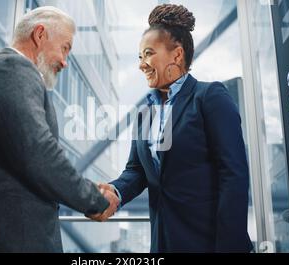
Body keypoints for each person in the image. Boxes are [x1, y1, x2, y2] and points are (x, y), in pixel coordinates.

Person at [0, 6, 119, 253]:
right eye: (65, 48)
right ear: (40, 34)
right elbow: (38, 152)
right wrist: (95, 199)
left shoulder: (13, 74)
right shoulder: (11, 69)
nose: (65, 62)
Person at [100, 4, 253, 252]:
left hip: (209, 242)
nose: (142, 64)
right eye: (140, 57)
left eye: (148, 54)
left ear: (177, 55)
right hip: (163, 243)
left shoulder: (209, 97)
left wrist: (229, 246)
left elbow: (233, 174)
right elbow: (137, 171)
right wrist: (115, 192)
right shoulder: (145, 113)